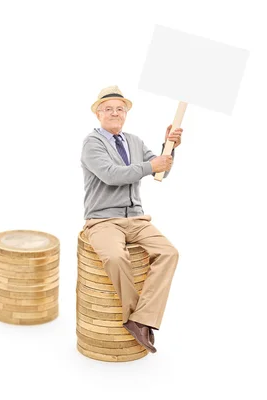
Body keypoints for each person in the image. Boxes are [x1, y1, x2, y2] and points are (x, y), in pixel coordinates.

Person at [80, 85, 182, 353]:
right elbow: (112, 174)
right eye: (108, 109)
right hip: (102, 220)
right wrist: (151, 166)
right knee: (115, 257)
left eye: (120, 109)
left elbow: (161, 172)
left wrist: (168, 147)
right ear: (98, 114)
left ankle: (141, 320)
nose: (115, 113)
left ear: (125, 114)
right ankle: (136, 316)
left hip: (136, 219)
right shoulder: (92, 143)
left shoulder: (134, 142)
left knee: (169, 253)